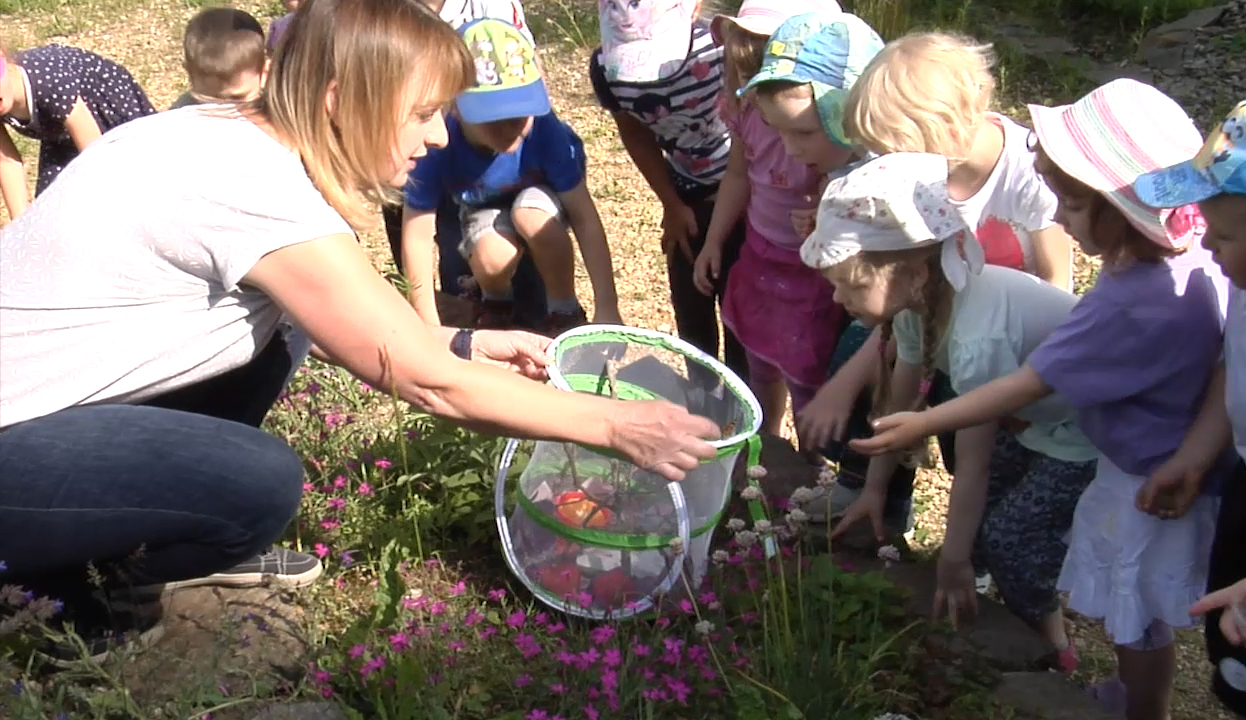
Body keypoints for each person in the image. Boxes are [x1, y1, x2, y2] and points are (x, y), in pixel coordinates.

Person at [0, 0, 720, 664]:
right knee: (258, 485)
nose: (439, 133)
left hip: (37, 408)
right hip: (12, 449)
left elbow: (367, 329)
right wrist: (622, 426)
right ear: (341, 99)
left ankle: (128, 520)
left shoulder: (217, 131)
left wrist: (462, 342)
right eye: (425, 111)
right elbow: (424, 382)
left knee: (284, 330)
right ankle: (80, 589)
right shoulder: (253, 190)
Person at [852, 80, 1230, 720]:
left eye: (1073, 203)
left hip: (1141, 474)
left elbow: (1027, 385)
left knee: (1130, 609)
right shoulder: (1190, 255)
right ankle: (1141, 698)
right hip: (1159, 454)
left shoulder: (1129, 300)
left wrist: (922, 420)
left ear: (1120, 207)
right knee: (1130, 610)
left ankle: (1146, 709)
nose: (1055, 216)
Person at [803, 152, 1097, 671]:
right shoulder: (921, 299)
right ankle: (986, 601)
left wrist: (952, 559)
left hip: (1086, 429)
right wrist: (874, 490)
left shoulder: (978, 334)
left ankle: (1051, 648)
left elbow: (973, 463)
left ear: (912, 271)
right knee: (987, 525)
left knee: (1013, 541)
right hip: (1030, 419)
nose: (837, 297)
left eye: (851, 283)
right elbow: (896, 403)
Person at [797, 31, 1075, 538]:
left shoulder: (1027, 173)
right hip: (939, 312)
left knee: (984, 452)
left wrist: (1028, 384)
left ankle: (978, 540)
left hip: (1006, 342)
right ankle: (879, 496)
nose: (880, 164)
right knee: (877, 362)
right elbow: (905, 318)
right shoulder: (917, 179)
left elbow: (1059, 281)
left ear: (938, 130)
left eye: (887, 149)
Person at [1134, 93, 1246, 719]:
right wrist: (1195, 456)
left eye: (1221, 233)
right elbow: (1234, 374)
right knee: (1237, 657)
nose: (1208, 248)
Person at [692, 3, 877, 438]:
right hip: (761, 250)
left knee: (806, 369)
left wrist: (825, 213)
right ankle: (768, 443)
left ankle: (810, 461)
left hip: (811, 267)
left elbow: (847, 188)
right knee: (761, 361)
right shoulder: (749, 114)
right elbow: (738, 173)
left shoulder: (825, 125)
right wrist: (715, 239)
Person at [401, 18, 621, 333]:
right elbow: (417, 234)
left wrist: (607, 305)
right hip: (482, 201)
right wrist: (427, 326)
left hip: (537, 191)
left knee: (531, 215)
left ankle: (564, 309)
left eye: (521, 113)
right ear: (456, 107)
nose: (511, 129)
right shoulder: (438, 143)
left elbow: (584, 216)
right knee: (493, 256)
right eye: (493, 118)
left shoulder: (545, 131)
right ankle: (495, 301)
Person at [590, 0, 748, 384]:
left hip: (745, 188)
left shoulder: (726, 50)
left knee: (742, 307)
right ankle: (703, 397)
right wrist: (672, 204)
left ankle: (747, 405)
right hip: (684, 191)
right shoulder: (609, 70)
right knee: (691, 302)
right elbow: (634, 132)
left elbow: (757, 132)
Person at [385, 0, 549, 330]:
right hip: (433, 164)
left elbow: (528, 67)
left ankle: (537, 325)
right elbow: (417, 236)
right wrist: (429, 329)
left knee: (526, 270)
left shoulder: (490, 5)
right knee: (459, 265)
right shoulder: (384, 14)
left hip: (494, 162)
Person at [0, 44, 155, 218]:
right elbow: (6, 162)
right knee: (51, 214)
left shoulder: (47, 78)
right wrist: (20, 227)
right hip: (62, 136)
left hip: (109, 121)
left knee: (136, 192)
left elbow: (95, 153)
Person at [171, 7, 269, 109]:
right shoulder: (182, 111)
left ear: (265, 73)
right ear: (190, 74)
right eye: (208, 100)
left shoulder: (275, 114)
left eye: (236, 98)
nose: (222, 110)